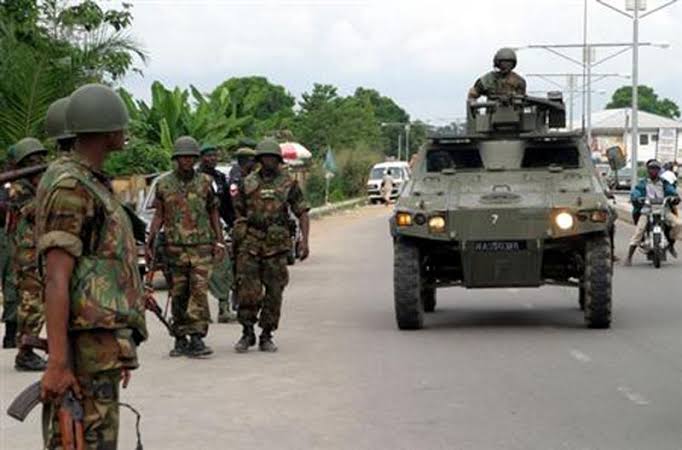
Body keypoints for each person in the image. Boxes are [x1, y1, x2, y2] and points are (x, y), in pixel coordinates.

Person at [35, 83, 148, 449]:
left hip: (98, 348)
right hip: (83, 351)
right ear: (109, 130)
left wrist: (119, 343)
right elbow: (56, 277)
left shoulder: (89, 182)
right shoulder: (72, 186)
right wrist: (57, 363)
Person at [146, 136, 225, 357]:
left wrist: (219, 241)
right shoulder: (164, 184)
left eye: (191, 157)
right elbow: (159, 214)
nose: (187, 161)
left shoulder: (205, 183)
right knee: (179, 293)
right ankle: (180, 337)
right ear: (176, 159)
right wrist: (151, 239)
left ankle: (198, 337)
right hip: (174, 248)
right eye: (183, 158)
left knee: (199, 291)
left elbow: (213, 212)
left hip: (201, 247)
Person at [233, 138, 310, 353]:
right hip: (251, 242)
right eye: (265, 157)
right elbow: (238, 211)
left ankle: (267, 334)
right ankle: (247, 332)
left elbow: (302, 212)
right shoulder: (247, 183)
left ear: (278, 160)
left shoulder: (288, 183)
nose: (268, 161)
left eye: (272, 158)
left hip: (276, 245)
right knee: (248, 291)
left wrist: (305, 241)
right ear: (259, 159)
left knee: (274, 292)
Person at [8, 137, 48, 371]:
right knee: (31, 304)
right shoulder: (18, 189)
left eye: (40, 159)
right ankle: (25, 352)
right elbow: (33, 211)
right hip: (27, 254)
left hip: (42, 250)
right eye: (33, 161)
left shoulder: (40, 184)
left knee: (42, 302)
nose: (38, 163)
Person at [199, 143, 237, 323]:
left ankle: (224, 308)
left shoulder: (221, 178)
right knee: (198, 272)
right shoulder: (196, 178)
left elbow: (227, 207)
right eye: (208, 156)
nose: (212, 159)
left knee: (223, 268)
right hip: (196, 232)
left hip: (216, 230)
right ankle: (200, 313)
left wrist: (234, 223)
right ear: (201, 158)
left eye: (214, 155)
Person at [626, 159, 682, 265]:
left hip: (663, 210)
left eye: (656, 169)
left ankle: (670, 244)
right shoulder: (643, 183)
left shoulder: (664, 183)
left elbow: (672, 191)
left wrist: (675, 197)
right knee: (640, 230)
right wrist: (637, 197)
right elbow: (636, 191)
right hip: (647, 210)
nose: (654, 171)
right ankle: (629, 257)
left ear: (659, 171)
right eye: (651, 169)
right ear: (648, 170)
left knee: (678, 224)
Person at [1, 145, 19, 349]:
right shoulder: (8, 185)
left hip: (10, 237)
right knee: (11, 284)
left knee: (12, 286)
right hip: (6, 238)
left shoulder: (17, 185)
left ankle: (11, 335)